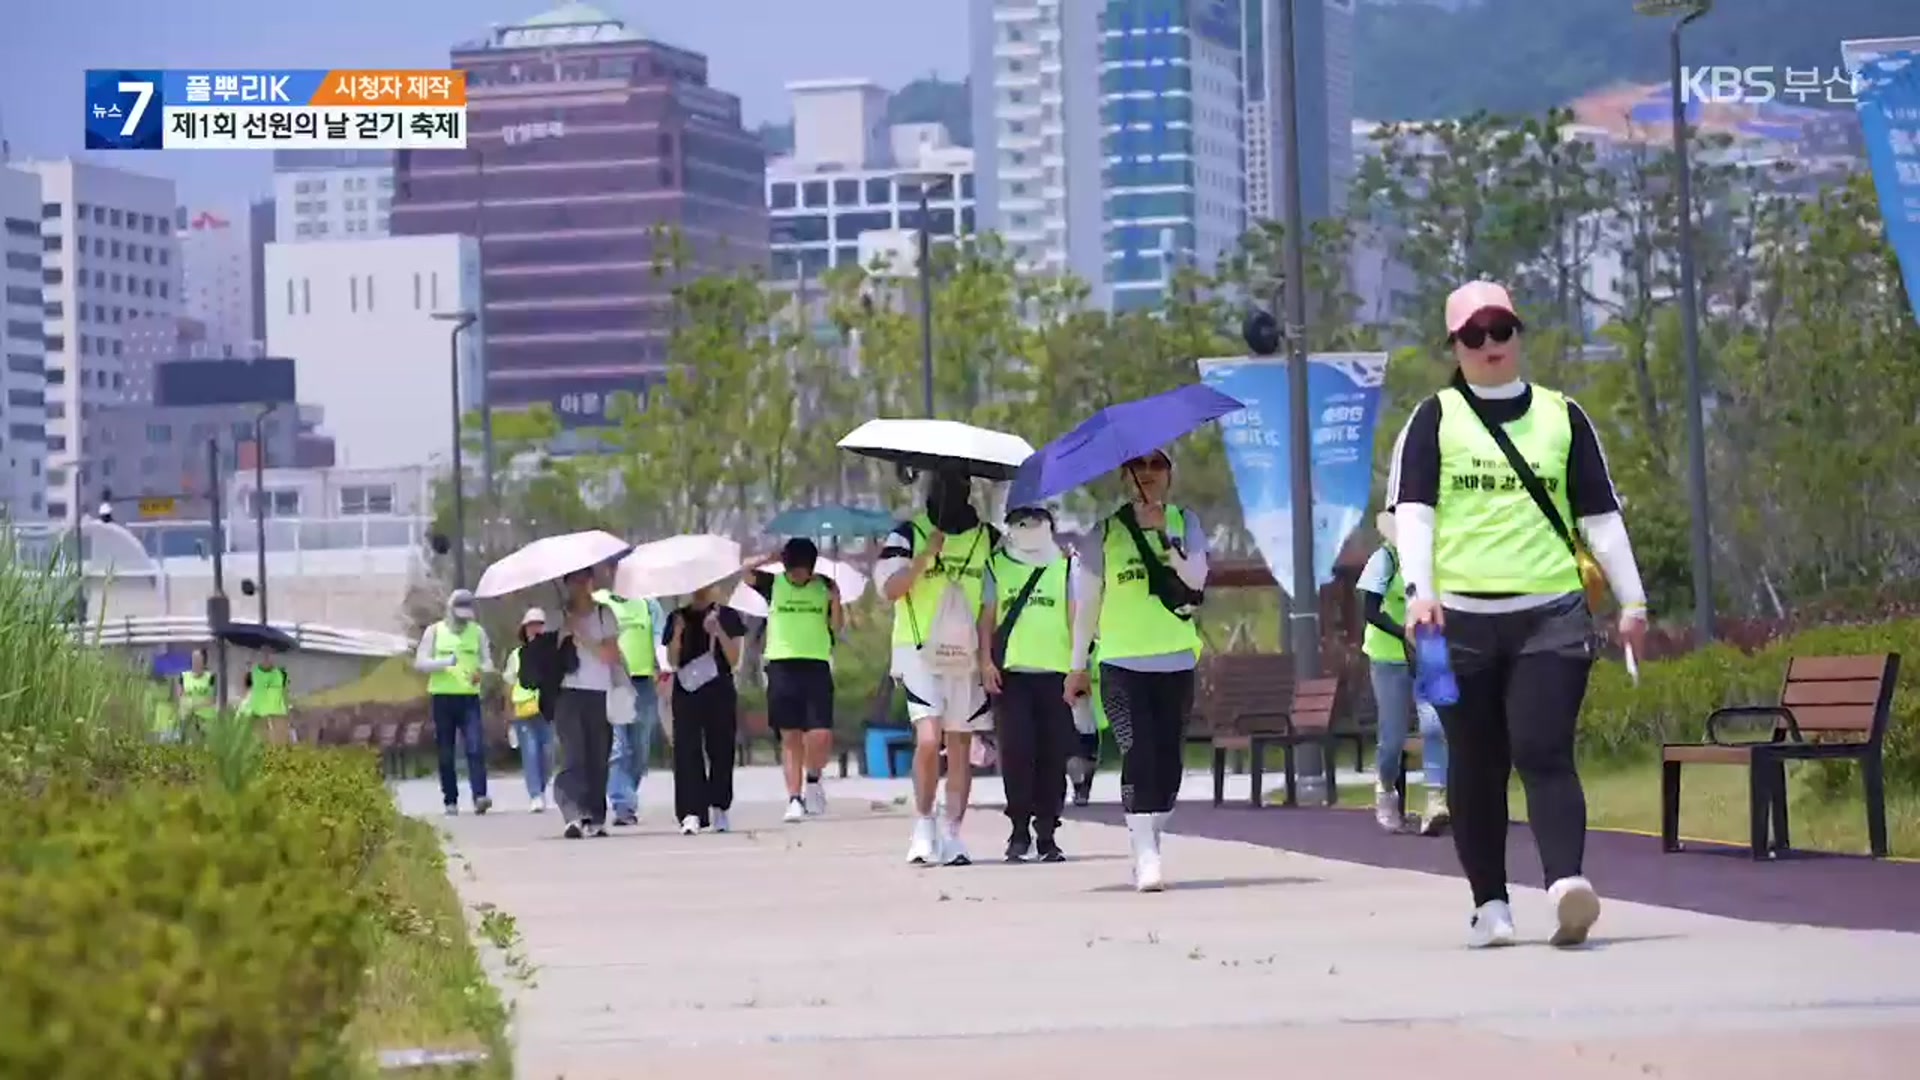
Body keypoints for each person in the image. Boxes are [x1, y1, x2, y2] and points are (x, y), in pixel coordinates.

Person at [1389, 280, 1649, 949]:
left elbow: (1601, 518)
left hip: (1551, 614)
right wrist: (1419, 591)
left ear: (1517, 334)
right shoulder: (1434, 418)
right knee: (1476, 765)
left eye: (1499, 330)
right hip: (1455, 626)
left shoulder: (1564, 417)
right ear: (1455, 346)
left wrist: (1633, 600)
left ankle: (1567, 885)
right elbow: (1413, 513)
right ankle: (1490, 905)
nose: (1489, 345)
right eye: (1472, 335)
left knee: (1543, 749)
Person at [1067, 448, 1208, 892]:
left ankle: (1150, 830)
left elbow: (1197, 579)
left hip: (1176, 658)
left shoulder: (1186, 522)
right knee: (1139, 751)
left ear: (1168, 474)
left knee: (1169, 763)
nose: (1148, 474)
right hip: (1121, 663)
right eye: (1140, 465)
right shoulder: (1102, 534)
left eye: (1158, 465)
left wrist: (1166, 535)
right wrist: (1075, 667)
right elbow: (1086, 607)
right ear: (1125, 475)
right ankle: (1144, 849)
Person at [876, 468, 999, 866]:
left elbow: (990, 606)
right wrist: (924, 556)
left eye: (959, 485)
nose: (950, 492)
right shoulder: (906, 534)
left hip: (965, 655)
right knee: (929, 739)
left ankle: (953, 834)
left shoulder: (988, 539)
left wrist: (986, 658)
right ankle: (923, 822)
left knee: (960, 743)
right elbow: (889, 590)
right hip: (918, 651)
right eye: (943, 485)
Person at [978, 503, 1076, 862]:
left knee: (1053, 757)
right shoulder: (997, 565)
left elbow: (1075, 616)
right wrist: (985, 661)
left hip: (1056, 675)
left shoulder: (1066, 566)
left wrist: (1078, 668)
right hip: (1011, 675)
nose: (1028, 528)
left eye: (1036, 522)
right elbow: (987, 618)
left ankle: (1048, 833)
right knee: (1017, 754)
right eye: (1021, 523)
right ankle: (1018, 830)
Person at [1358, 510, 1450, 835]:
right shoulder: (1385, 558)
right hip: (1389, 656)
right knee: (1393, 736)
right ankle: (1385, 789)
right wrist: (1404, 633)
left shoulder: (1438, 555)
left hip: (1431, 651)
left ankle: (1436, 799)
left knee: (1435, 725)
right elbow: (1370, 609)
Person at [746, 539, 844, 823]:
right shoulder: (773, 584)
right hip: (781, 666)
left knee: (820, 733)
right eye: (792, 570)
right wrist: (769, 556)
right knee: (790, 736)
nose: (796, 576)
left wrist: (835, 601)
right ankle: (794, 798)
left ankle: (813, 779)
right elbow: (743, 572)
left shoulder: (824, 587)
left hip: (816, 664)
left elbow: (837, 627)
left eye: (802, 570)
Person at [549, 566, 627, 839]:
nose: (580, 587)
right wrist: (562, 633)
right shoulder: (557, 616)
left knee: (598, 756)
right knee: (574, 755)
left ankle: (595, 815)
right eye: (574, 581)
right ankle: (572, 813)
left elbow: (609, 654)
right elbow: (546, 655)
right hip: (567, 692)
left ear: (592, 582)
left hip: (599, 691)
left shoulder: (604, 614)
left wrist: (581, 634)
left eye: (584, 580)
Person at [664, 584, 748, 834]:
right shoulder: (677, 616)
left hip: (718, 686)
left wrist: (717, 631)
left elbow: (734, 659)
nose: (700, 589)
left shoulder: (727, 615)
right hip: (687, 689)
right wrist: (677, 634)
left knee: (721, 747)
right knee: (686, 749)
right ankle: (691, 812)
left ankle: (720, 806)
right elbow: (672, 661)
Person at [413, 588, 495, 816]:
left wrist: (481, 671)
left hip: (469, 697)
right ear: (450, 610)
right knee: (445, 752)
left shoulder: (478, 632)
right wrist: (443, 663)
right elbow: (420, 663)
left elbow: (488, 662)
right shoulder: (434, 632)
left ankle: (480, 795)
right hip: (442, 697)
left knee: (475, 747)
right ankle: (450, 799)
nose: (462, 620)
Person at [593, 586, 668, 827]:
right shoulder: (600, 601)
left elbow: (659, 637)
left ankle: (626, 794)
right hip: (612, 682)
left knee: (640, 749)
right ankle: (623, 804)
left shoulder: (649, 604)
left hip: (643, 683)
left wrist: (664, 665)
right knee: (618, 747)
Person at [502, 608, 556, 813]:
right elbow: (508, 684)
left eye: (539, 624)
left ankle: (541, 787)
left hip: (545, 711)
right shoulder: (516, 655)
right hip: (523, 712)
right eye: (531, 625)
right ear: (524, 629)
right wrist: (508, 714)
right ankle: (535, 794)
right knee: (531, 752)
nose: (535, 629)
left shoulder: (552, 653)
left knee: (547, 754)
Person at [241, 646, 292, 745]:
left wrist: (288, 721)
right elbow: (245, 695)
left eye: (269, 653)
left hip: (277, 718)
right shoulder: (251, 673)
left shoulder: (282, 674)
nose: (266, 656)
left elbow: (285, 694)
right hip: (257, 718)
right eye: (263, 653)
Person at [176, 648, 217, 741]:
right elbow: (179, 696)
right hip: (187, 719)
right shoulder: (183, 676)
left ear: (204, 662)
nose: (196, 662)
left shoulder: (211, 677)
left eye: (198, 659)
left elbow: (212, 699)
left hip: (205, 719)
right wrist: (186, 707)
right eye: (194, 659)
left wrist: (194, 705)